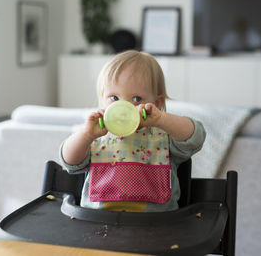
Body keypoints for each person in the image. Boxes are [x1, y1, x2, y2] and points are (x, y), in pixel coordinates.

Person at [60, 50, 206, 212]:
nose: (123, 107)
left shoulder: (163, 135)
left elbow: (196, 137)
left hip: (157, 226)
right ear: (102, 100)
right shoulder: (95, 135)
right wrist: (86, 135)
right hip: (98, 225)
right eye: (114, 98)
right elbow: (69, 162)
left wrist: (161, 119)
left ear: (157, 103)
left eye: (136, 99)